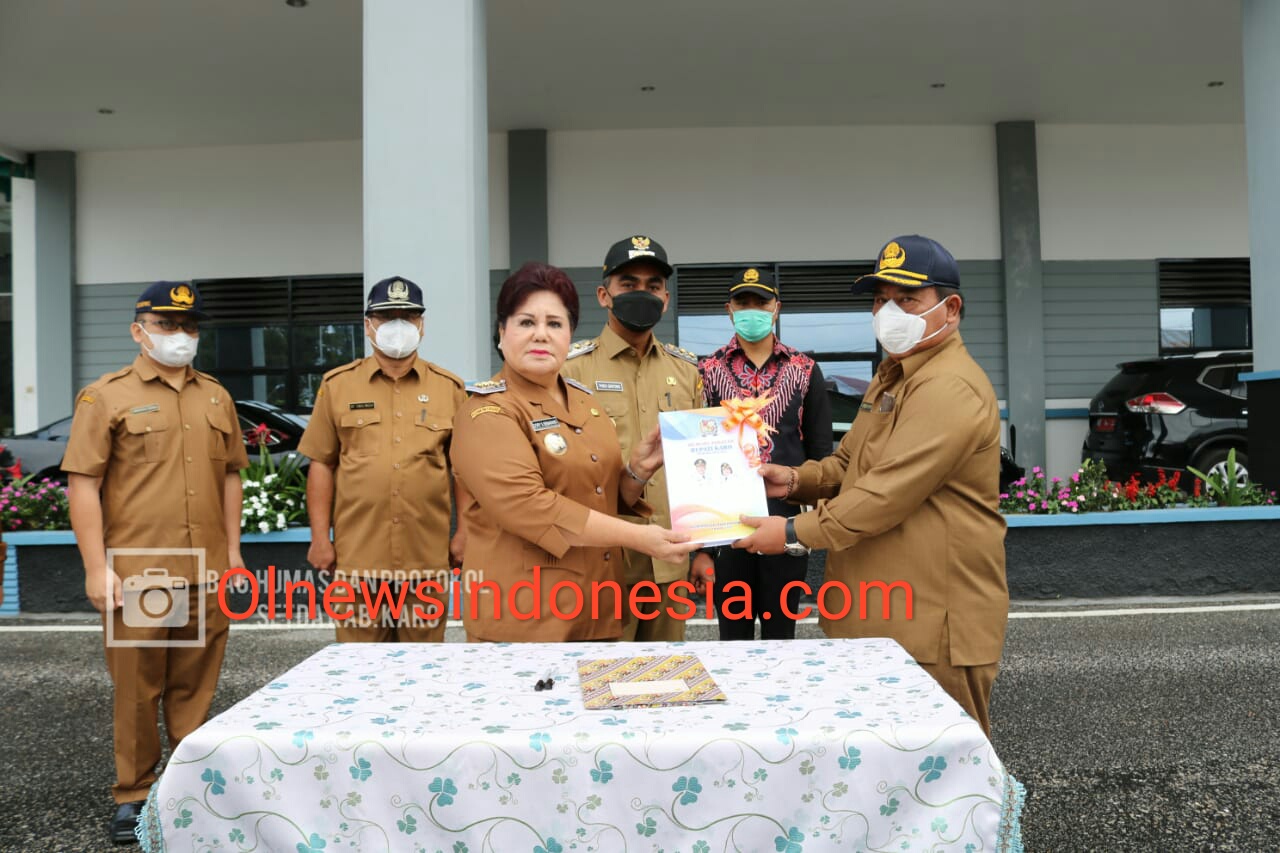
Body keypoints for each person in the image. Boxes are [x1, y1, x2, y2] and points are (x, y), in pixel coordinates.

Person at [734, 236, 1008, 735]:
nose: (889, 312)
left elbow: (886, 494)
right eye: (881, 300)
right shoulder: (893, 377)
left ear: (952, 307)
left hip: (931, 624)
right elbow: (847, 463)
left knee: (942, 785)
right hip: (878, 615)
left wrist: (791, 534)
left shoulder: (949, 386)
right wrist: (793, 479)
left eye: (908, 300)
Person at [63, 281, 248, 843]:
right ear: (137, 331)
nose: (180, 337)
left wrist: (234, 555)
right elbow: (83, 482)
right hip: (141, 571)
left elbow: (231, 475)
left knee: (196, 688)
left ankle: (187, 785)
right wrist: (97, 567)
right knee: (138, 690)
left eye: (189, 327)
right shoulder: (106, 397)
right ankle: (135, 794)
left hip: (207, 570)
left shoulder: (215, 396)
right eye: (167, 326)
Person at [451, 261, 698, 642]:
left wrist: (636, 472)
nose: (541, 335)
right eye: (525, 322)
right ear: (501, 333)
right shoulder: (486, 412)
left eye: (554, 323)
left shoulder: (587, 405)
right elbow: (530, 507)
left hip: (598, 610)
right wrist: (640, 538)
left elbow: (601, 497)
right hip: (526, 619)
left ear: (568, 336)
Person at [299, 276, 467, 643]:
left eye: (407, 317)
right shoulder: (338, 386)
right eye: (387, 316)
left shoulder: (449, 389)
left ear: (422, 325)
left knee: (422, 669)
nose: (398, 326)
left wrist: (464, 532)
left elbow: (462, 471)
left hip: (426, 561)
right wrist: (319, 538)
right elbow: (322, 464)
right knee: (359, 669)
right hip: (357, 561)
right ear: (368, 325)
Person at [561, 235, 704, 642]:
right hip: (603, 562)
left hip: (670, 559)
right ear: (604, 295)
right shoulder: (572, 371)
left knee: (668, 678)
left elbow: (700, 469)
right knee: (604, 679)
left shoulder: (687, 372)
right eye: (629, 284)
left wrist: (704, 549)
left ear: (666, 298)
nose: (642, 293)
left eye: (653, 286)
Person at [697, 267, 832, 641]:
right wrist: (702, 549)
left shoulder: (804, 371)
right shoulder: (707, 371)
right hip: (727, 529)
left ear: (776, 308)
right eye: (743, 302)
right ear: (729, 309)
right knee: (732, 637)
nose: (752, 309)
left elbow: (820, 453)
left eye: (762, 302)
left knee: (780, 636)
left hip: (786, 527)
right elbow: (696, 457)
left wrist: (814, 528)